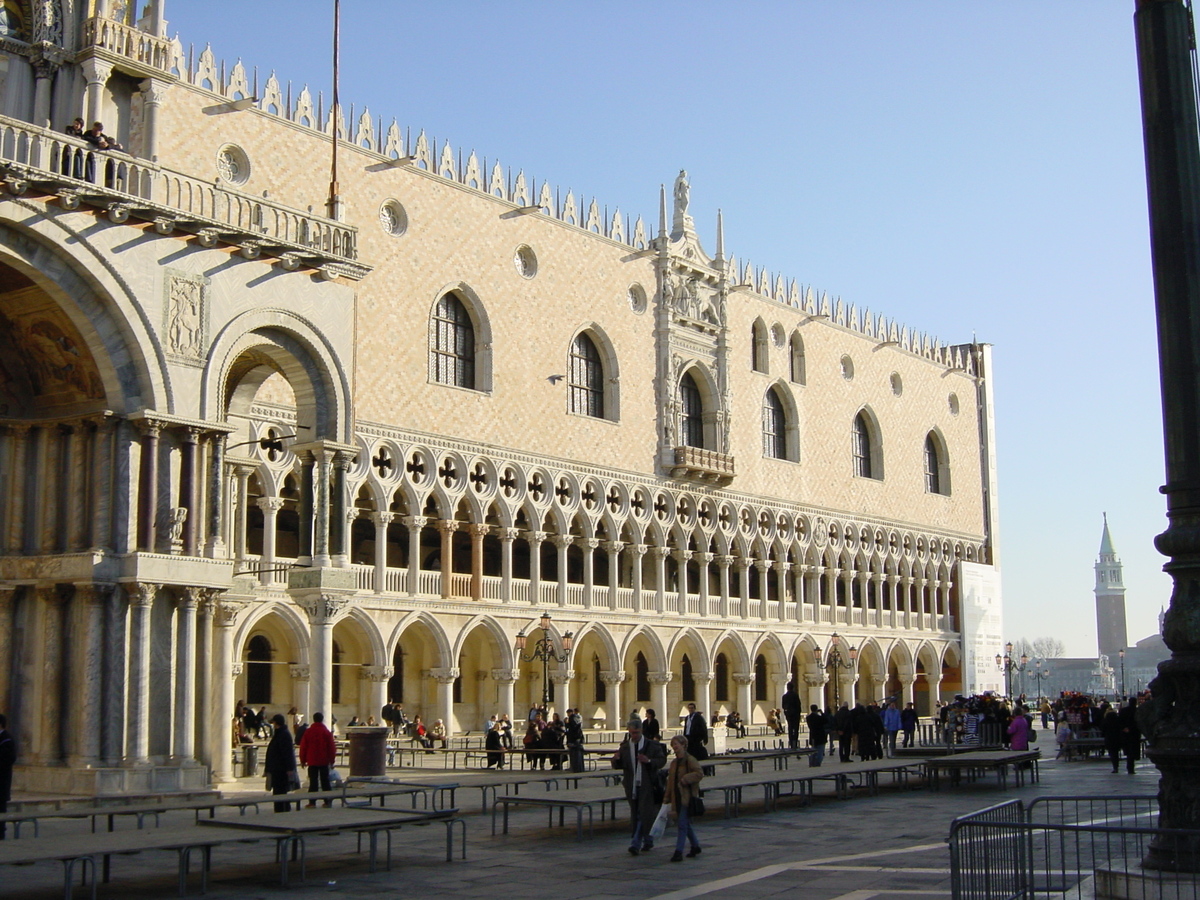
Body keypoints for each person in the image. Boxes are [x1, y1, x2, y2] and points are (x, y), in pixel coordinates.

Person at [611, 715, 666, 855]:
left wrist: (648, 761)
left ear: (641, 731)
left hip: (647, 785)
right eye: (631, 733)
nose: (634, 736)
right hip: (632, 785)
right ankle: (648, 840)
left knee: (644, 813)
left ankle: (635, 843)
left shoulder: (651, 745)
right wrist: (616, 760)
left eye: (636, 733)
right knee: (636, 813)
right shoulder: (625, 747)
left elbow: (661, 761)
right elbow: (621, 765)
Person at [665, 734, 703, 861]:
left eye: (677, 744)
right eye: (673, 745)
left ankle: (678, 852)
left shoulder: (690, 760)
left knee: (681, 824)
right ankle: (695, 845)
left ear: (683, 745)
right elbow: (670, 781)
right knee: (685, 823)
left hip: (687, 797)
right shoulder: (674, 763)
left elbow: (699, 773)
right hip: (677, 797)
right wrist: (667, 798)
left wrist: (686, 779)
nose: (675, 747)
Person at [297, 711, 336, 807]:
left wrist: (302, 760)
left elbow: (303, 747)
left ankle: (312, 802)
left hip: (312, 760)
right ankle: (328, 801)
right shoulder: (326, 732)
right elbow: (332, 747)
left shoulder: (308, 732)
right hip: (324, 760)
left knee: (313, 782)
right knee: (325, 782)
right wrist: (332, 761)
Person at [264, 714, 299, 812]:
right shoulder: (279, 733)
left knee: (281, 791)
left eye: (274, 722)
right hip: (277, 769)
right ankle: (280, 809)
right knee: (278, 791)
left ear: (276, 723)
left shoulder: (283, 734)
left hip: (281, 770)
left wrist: (289, 768)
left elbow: (287, 753)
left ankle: (282, 810)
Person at [1118, 697, 1142, 774]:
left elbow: (1119, 721)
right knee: (1133, 750)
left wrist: (1124, 728)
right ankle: (1131, 767)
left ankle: (1129, 766)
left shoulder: (1123, 710)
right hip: (1134, 733)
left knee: (1128, 750)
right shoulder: (1137, 711)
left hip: (1126, 733)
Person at [0, 714, 14, 840]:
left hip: (1, 783)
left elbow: (7, 760)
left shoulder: (6, 740)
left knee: (0, 809)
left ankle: (1, 834)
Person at [1100, 706, 1123, 773]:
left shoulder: (1105, 721)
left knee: (1112, 753)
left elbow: (1102, 730)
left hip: (1109, 738)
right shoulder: (1118, 720)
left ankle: (1115, 766)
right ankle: (1116, 765)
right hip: (1117, 738)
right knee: (1116, 752)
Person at [781, 681, 803, 749]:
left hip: (789, 714)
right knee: (795, 729)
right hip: (795, 714)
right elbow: (798, 705)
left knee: (790, 728)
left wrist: (786, 712)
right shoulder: (795, 695)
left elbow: (783, 706)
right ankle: (795, 743)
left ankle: (791, 742)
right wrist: (798, 712)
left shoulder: (784, 696)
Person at [565, 708, 586, 773]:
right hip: (578, 739)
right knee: (579, 756)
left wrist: (566, 724)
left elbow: (572, 728)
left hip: (573, 740)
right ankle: (580, 768)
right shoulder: (578, 718)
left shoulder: (572, 718)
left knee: (574, 756)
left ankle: (575, 768)